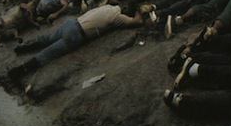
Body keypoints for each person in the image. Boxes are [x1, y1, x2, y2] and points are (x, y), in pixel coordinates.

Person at [8, 5, 144, 80]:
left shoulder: (107, 7)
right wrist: (140, 11)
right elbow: (136, 22)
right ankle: (21, 70)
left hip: (72, 23)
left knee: (48, 39)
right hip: (76, 34)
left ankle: (23, 47)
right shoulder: (117, 17)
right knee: (49, 53)